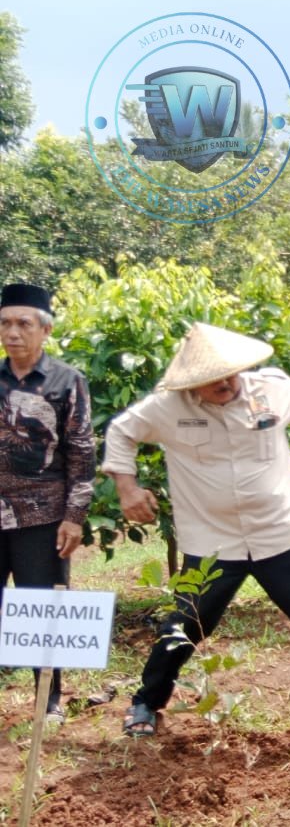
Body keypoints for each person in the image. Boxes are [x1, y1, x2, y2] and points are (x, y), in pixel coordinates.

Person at [104, 323, 290, 749]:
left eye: (231, 373)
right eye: (213, 378)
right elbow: (121, 432)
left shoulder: (271, 389)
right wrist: (127, 488)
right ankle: (146, 702)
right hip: (211, 543)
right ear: (191, 382)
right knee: (185, 625)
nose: (225, 383)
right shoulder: (167, 408)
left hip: (282, 535)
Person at [0, 283, 91, 725]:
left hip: (43, 515)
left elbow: (81, 450)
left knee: (41, 607)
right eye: (5, 323)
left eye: (23, 323)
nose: (12, 332)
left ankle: (48, 701)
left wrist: (75, 516)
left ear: (45, 330)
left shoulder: (66, 381)